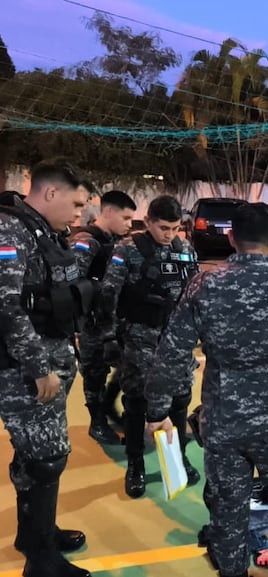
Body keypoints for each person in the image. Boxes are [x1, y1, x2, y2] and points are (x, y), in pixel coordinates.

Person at [146, 202, 268, 577]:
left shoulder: (205, 285)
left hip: (224, 426)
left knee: (227, 511)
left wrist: (157, 411)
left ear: (231, 238)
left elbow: (171, 352)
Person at [0, 160, 92, 577]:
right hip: (26, 369)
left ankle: (37, 534)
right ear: (50, 193)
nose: (78, 215)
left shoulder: (39, 230)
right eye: (75, 204)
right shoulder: (9, 229)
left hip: (47, 355)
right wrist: (39, 369)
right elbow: (7, 307)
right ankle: (41, 563)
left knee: (36, 456)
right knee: (47, 457)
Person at [100, 195, 200, 498]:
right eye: (163, 228)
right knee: (138, 401)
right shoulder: (127, 249)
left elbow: (194, 290)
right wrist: (110, 335)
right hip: (139, 334)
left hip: (176, 336)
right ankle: (136, 464)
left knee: (181, 397)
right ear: (149, 222)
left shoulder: (185, 250)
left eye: (175, 228)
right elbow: (109, 292)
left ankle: (178, 455)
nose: (169, 234)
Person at [70, 190, 137, 445]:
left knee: (128, 364)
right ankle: (97, 422)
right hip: (93, 323)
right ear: (108, 212)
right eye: (126, 218)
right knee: (94, 373)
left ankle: (108, 405)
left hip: (115, 321)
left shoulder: (117, 242)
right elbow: (73, 282)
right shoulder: (87, 241)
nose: (130, 224)